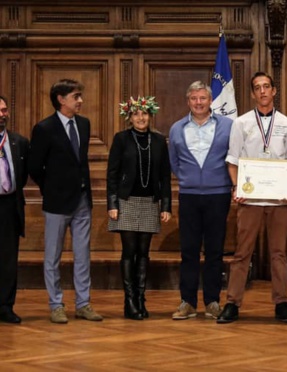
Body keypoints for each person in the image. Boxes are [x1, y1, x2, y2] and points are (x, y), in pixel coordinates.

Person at [217, 72, 287, 324]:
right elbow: (233, 160)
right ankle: (232, 303)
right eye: (257, 88)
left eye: (266, 87)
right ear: (252, 94)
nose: (262, 91)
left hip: (279, 201)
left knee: (279, 253)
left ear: (274, 91)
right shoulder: (240, 123)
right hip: (249, 200)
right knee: (242, 253)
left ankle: (282, 303)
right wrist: (236, 187)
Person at [29, 79, 103, 323]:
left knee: (83, 255)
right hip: (57, 202)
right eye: (76, 96)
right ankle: (56, 304)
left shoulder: (83, 124)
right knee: (53, 257)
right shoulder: (44, 128)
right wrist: (50, 189)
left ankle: (83, 303)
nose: (80, 101)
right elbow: (34, 167)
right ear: (61, 99)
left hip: (82, 201)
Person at [169, 81, 233, 320]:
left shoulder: (227, 126)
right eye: (194, 98)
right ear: (188, 101)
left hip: (219, 194)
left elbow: (233, 157)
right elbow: (174, 162)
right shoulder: (176, 128)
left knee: (215, 250)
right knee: (189, 250)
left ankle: (213, 301)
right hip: (189, 195)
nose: (198, 103)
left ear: (210, 101)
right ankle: (187, 302)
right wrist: (190, 178)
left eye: (203, 98)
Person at [107, 96, 171, 320]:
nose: (141, 117)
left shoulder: (158, 140)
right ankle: (129, 300)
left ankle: (141, 299)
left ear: (150, 115)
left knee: (144, 252)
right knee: (129, 251)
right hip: (126, 202)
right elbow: (112, 174)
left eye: (144, 114)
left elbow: (165, 175)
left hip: (150, 202)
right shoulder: (121, 139)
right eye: (136, 114)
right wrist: (112, 204)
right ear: (129, 117)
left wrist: (166, 204)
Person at [0, 95, 28, 324]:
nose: (2, 114)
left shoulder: (19, 141)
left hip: (10, 206)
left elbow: (24, 174)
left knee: (9, 260)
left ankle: (6, 307)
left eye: (4, 110)